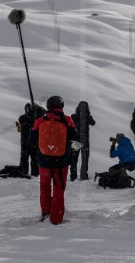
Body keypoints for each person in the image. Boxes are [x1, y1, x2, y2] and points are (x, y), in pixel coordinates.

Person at [31, 95, 79, 225]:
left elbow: (32, 140)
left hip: (43, 161)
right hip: (61, 162)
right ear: (61, 106)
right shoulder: (67, 120)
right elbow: (75, 138)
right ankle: (56, 218)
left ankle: (45, 212)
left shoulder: (40, 121)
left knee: (44, 186)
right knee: (59, 188)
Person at [70, 101, 96, 180]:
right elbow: (93, 123)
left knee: (74, 159)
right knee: (84, 159)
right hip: (85, 141)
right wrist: (88, 116)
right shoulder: (87, 117)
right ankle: (83, 175)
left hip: (76, 140)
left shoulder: (73, 116)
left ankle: (73, 176)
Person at [17, 102, 45, 177]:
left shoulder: (25, 118)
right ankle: (33, 173)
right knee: (32, 158)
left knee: (26, 158)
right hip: (33, 142)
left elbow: (19, 127)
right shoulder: (37, 118)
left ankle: (25, 172)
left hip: (27, 142)